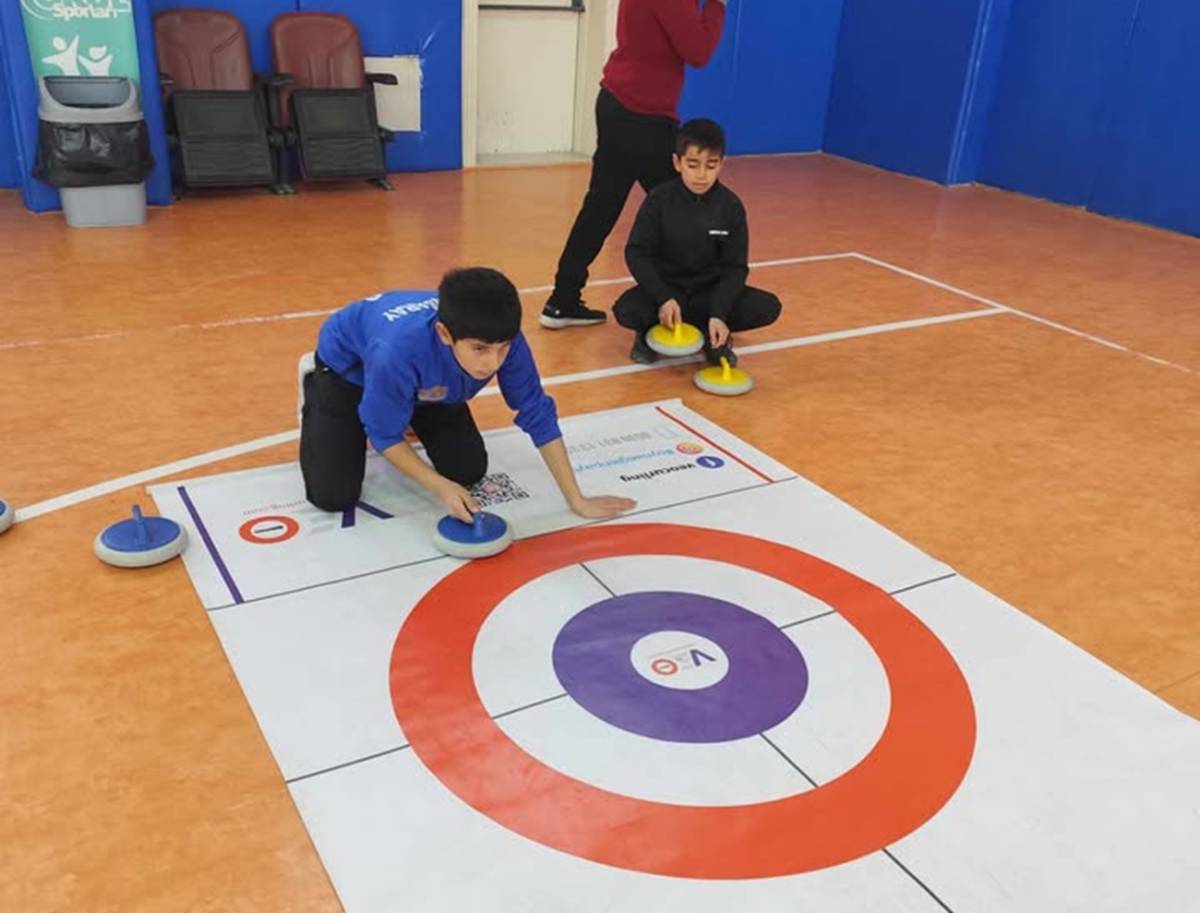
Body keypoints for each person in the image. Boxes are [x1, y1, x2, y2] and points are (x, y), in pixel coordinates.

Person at [300, 267, 636, 522]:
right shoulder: (396, 351)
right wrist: (439, 487)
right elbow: (384, 435)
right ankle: (322, 395)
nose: (492, 363)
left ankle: (405, 404)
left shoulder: (502, 337)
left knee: (467, 471)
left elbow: (536, 410)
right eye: (480, 349)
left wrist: (576, 498)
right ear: (445, 334)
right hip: (348, 371)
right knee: (332, 496)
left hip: (427, 380)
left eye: (502, 348)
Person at [540, 0, 728, 330]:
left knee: (601, 208)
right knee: (687, 206)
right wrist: (717, 5)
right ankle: (692, 307)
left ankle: (562, 300)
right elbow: (698, 51)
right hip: (643, 116)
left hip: (618, 103)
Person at [614, 118, 781, 366]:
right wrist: (663, 297)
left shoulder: (731, 206)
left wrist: (719, 312)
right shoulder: (658, 200)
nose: (702, 175)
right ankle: (647, 334)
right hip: (668, 290)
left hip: (708, 294)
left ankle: (712, 334)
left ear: (721, 164)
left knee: (767, 306)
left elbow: (735, 268)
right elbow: (636, 253)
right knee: (627, 309)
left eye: (711, 165)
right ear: (677, 163)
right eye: (693, 165)